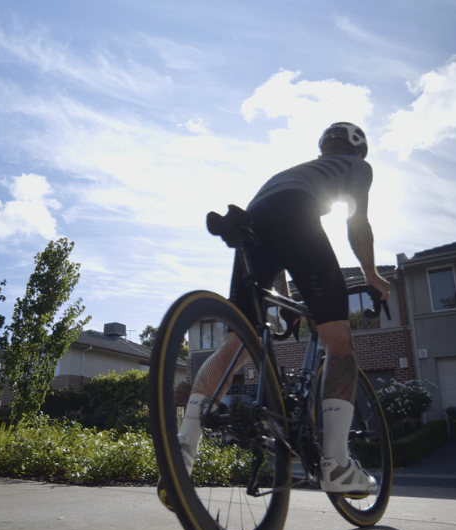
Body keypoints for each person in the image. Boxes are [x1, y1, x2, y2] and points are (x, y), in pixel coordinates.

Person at [160, 122, 391, 509]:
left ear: (324, 147)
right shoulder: (356, 166)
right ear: (358, 150)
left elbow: (275, 234)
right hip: (297, 218)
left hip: (252, 222)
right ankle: (337, 464)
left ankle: (184, 449)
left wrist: (285, 300)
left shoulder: (294, 172)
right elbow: (356, 221)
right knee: (339, 345)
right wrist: (372, 275)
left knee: (237, 346)